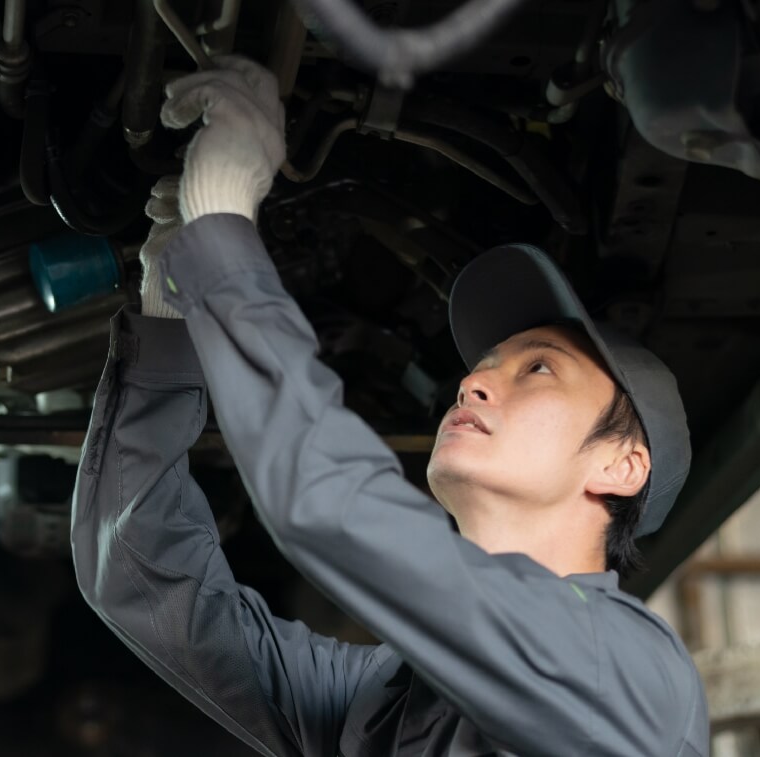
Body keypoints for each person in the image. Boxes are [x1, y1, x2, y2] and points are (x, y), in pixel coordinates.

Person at [70, 55, 709, 757]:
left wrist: (224, 230)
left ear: (622, 464)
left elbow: (326, 500)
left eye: (537, 369)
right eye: (481, 367)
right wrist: (166, 327)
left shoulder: (625, 667)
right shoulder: (385, 701)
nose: (473, 382)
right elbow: (141, 573)